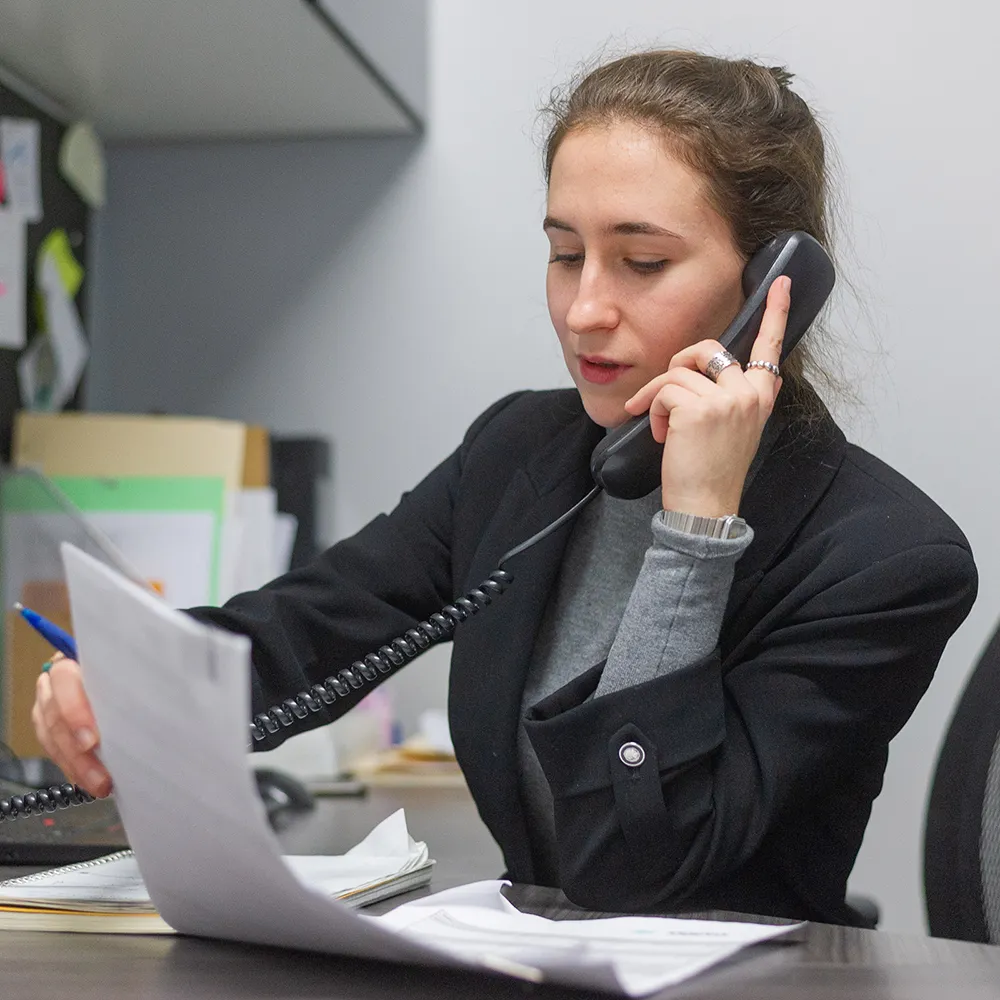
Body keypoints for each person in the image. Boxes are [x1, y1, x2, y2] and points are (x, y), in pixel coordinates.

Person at [32, 49, 976, 926]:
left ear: (775, 288)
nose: (583, 308)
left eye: (642, 262)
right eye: (566, 252)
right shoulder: (522, 451)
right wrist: (128, 689)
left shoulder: (886, 561)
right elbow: (313, 629)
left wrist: (694, 530)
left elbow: (639, 863)